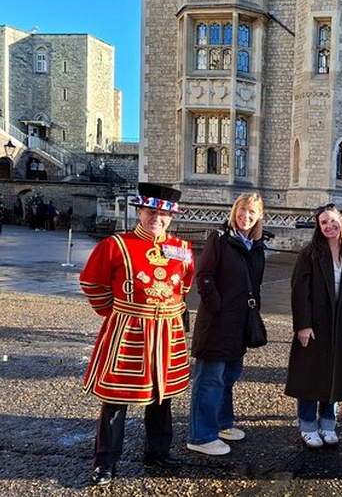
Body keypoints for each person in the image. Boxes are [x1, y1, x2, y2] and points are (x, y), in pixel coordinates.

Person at [79, 182, 194, 486]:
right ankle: (105, 463)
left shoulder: (182, 249)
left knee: (162, 395)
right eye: (151, 211)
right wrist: (118, 313)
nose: (157, 218)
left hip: (167, 330)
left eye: (163, 214)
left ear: (171, 218)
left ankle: (157, 452)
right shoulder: (116, 245)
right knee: (116, 398)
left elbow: (184, 286)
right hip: (130, 330)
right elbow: (92, 283)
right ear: (140, 211)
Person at [188, 192, 266, 457]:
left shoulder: (255, 246)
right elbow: (204, 275)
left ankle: (222, 424)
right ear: (235, 211)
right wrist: (216, 306)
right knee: (209, 379)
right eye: (242, 210)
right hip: (217, 321)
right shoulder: (219, 239)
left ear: (258, 217)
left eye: (252, 212)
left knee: (228, 377)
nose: (246, 216)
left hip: (240, 322)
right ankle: (201, 435)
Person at [285, 204, 342, 448]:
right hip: (315, 325)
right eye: (323, 223)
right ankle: (308, 424)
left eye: (333, 220)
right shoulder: (309, 254)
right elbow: (299, 292)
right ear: (319, 227)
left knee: (335, 375)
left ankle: (328, 423)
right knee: (311, 376)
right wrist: (303, 325)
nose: (329, 226)